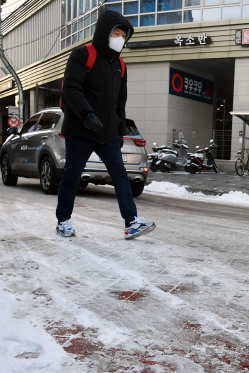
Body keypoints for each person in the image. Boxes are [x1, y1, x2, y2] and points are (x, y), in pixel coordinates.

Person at [55, 10, 155, 240]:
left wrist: (120, 130)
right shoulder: (83, 54)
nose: (119, 38)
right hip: (81, 129)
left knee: (120, 174)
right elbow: (71, 88)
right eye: (116, 33)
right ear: (104, 32)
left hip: (107, 131)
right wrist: (86, 114)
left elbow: (120, 101)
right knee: (72, 175)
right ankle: (63, 221)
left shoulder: (120, 64)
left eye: (123, 35)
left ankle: (131, 222)